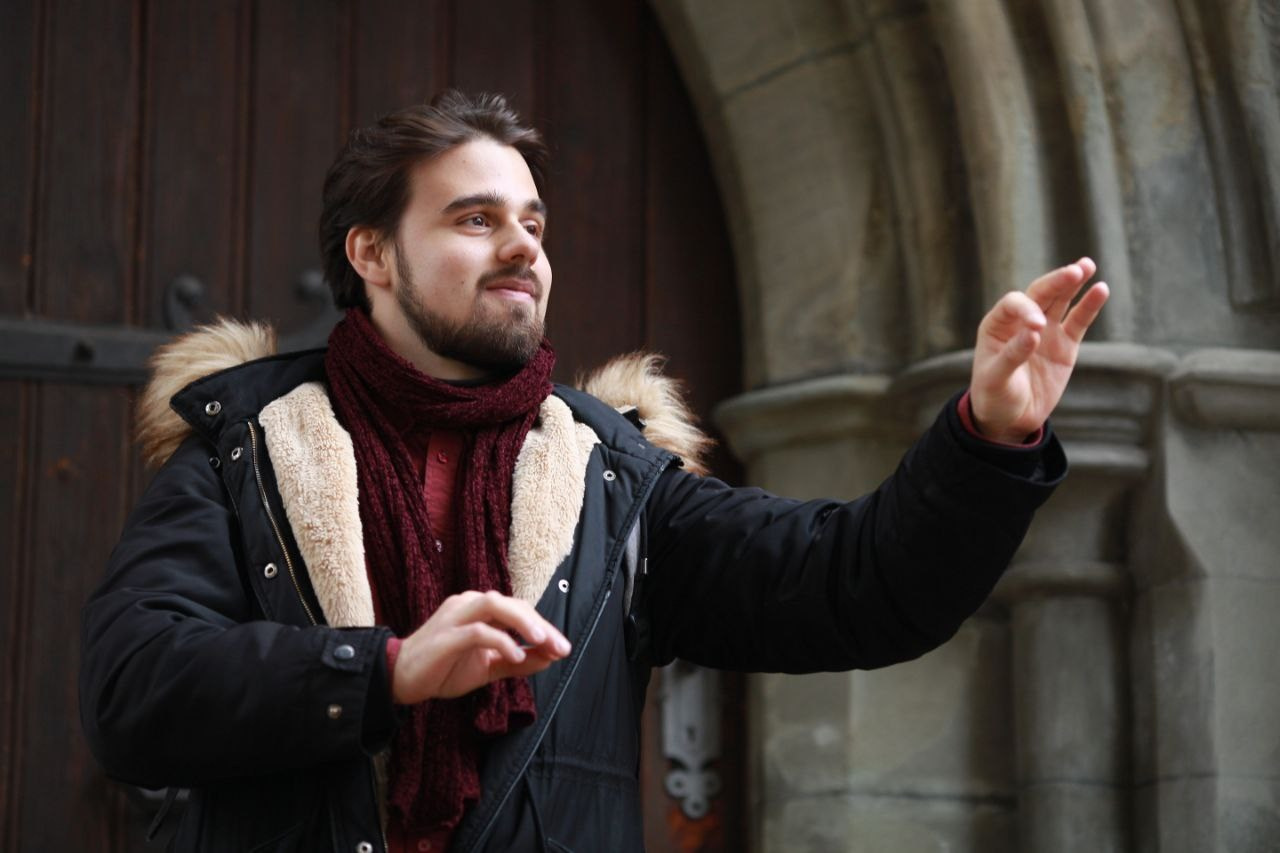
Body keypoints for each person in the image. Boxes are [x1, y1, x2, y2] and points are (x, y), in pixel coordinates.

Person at [79, 90, 1109, 853]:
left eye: (532, 223)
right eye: (475, 219)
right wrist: (383, 671)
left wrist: (985, 436)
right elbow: (131, 693)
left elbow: (857, 585)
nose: (522, 247)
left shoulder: (611, 477)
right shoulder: (249, 450)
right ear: (372, 255)